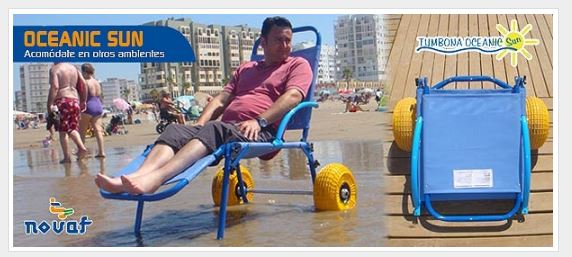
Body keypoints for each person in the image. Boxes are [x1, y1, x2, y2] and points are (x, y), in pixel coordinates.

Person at [95, 16, 313, 195]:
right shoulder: (246, 69)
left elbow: (294, 96)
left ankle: (155, 179)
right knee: (175, 130)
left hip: (262, 131)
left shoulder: (297, 64)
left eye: (288, 41)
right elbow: (219, 100)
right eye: (278, 40)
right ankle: (137, 176)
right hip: (230, 129)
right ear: (263, 42)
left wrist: (259, 120)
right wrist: (198, 124)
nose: (285, 46)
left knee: (214, 129)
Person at [47, 63, 89, 163]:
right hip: (75, 100)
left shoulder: (55, 69)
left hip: (63, 101)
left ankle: (67, 157)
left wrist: (49, 104)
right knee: (72, 128)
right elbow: (84, 84)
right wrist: (83, 101)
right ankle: (81, 147)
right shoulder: (74, 68)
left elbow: (55, 87)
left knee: (63, 131)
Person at [78, 63, 106, 158]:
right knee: (98, 131)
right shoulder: (96, 82)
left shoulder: (85, 81)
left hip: (88, 106)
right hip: (98, 106)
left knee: (82, 132)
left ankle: (81, 154)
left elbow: (83, 96)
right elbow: (99, 95)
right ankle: (101, 152)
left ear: (84, 71)